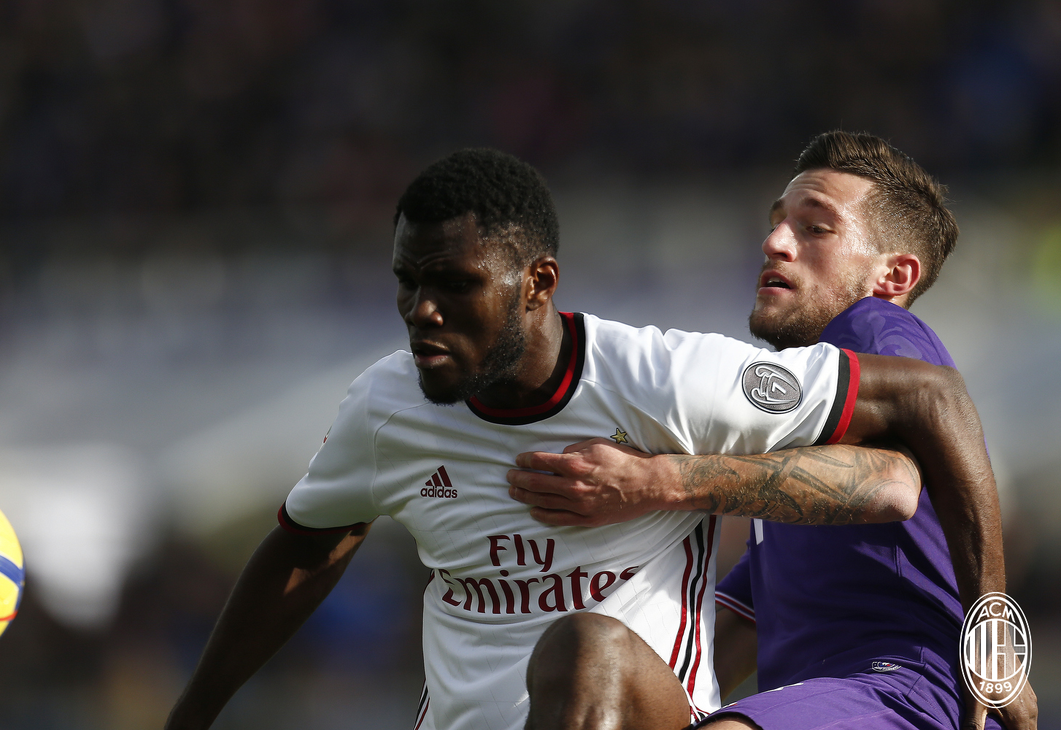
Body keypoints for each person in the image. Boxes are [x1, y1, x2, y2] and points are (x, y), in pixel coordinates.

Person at [165, 147, 1004, 730]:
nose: (422, 308)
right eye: (407, 281)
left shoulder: (665, 381)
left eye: (452, 284)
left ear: (538, 284)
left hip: (688, 706)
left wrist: (668, 481)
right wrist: (191, 716)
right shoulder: (384, 408)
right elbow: (304, 548)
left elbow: (920, 422)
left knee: (588, 649)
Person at [506, 132, 1037, 730]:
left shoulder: (874, 331)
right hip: (823, 701)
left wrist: (993, 631)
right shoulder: (804, 448)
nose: (774, 242)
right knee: (591, 654)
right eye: (777, 222)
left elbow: (937, 416)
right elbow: (732, 631)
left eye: (815, 228)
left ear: (894, 275)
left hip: (905, 690)